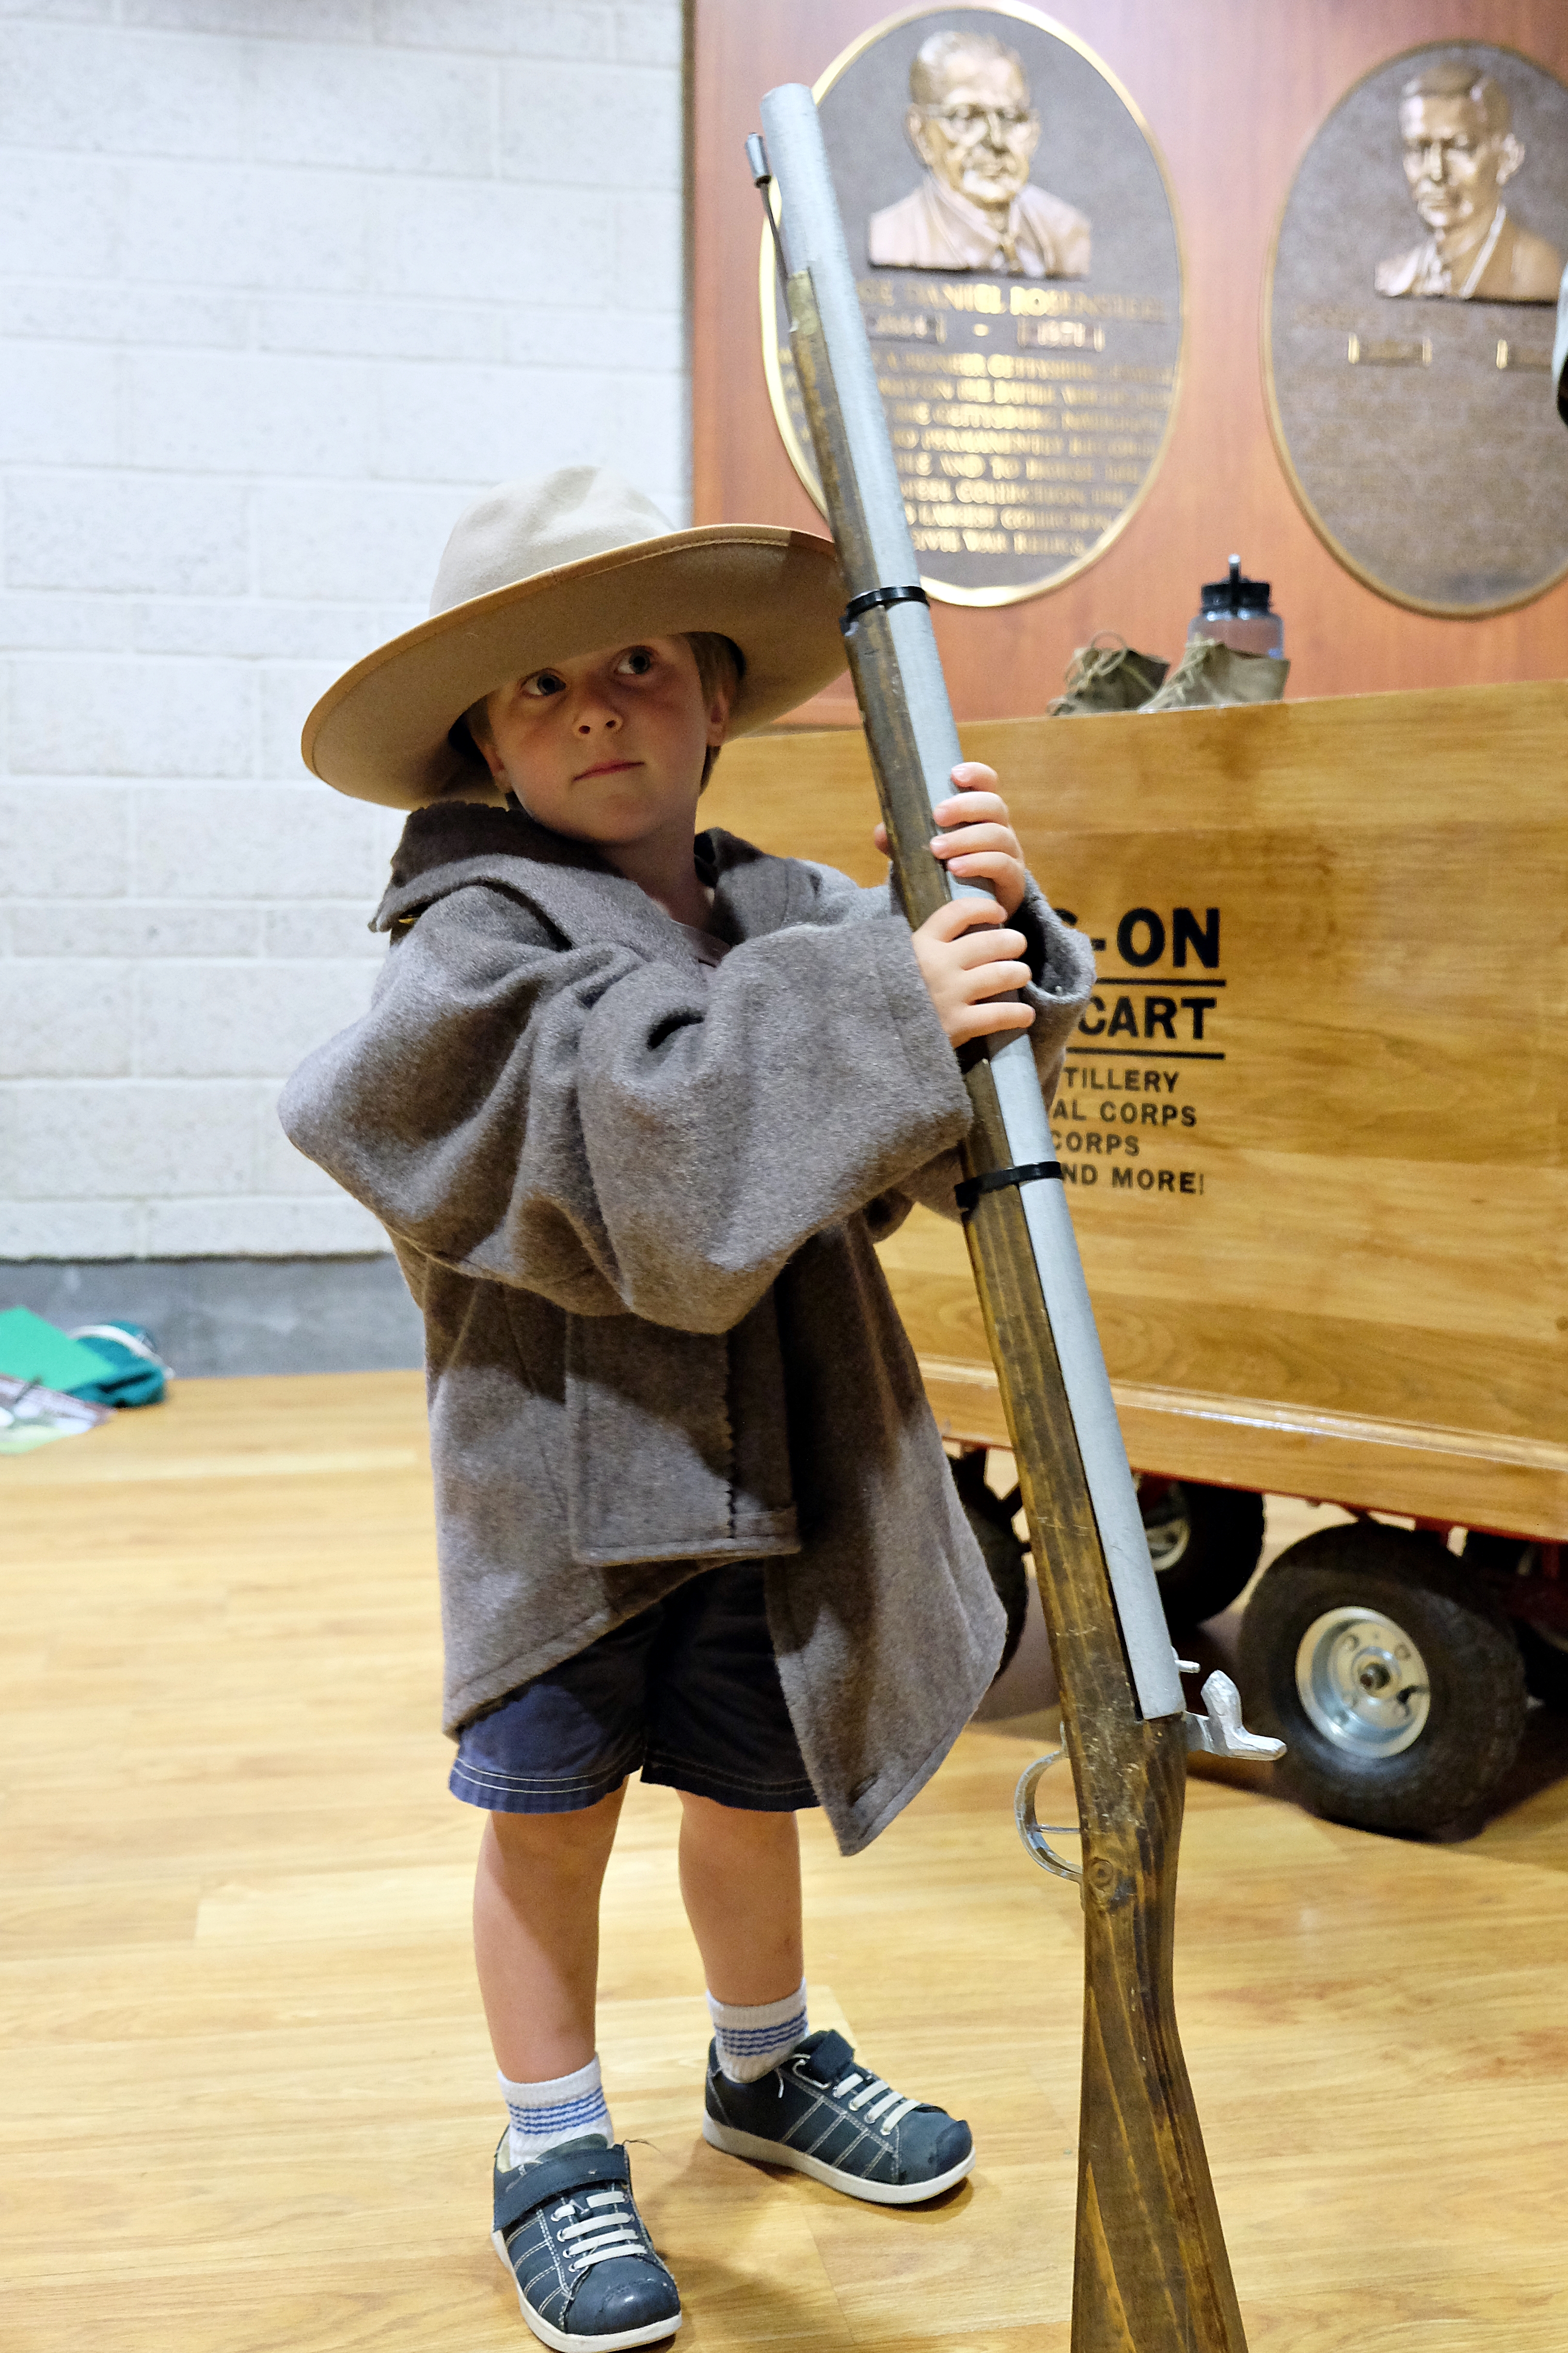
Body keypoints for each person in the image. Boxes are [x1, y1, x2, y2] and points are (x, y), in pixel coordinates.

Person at [280, 464, 1093, 2352]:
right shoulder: (467, 949)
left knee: (749, 1789)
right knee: (549, 1818)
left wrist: (994, 951)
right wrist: (889, 1010)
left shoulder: (797, 914)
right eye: (545, 685)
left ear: (717, 696)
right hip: (567, 1487)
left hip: (781, 1460)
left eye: (638, 664)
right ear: (485, 738)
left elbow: (930, 1115)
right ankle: (554, 2142)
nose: (596, 710)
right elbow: (636, 1154)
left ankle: (764, 2062)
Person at [868, 28, 1090, 278]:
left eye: (1010, 118)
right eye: (967, 117)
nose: (995, 140)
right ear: (921, 133)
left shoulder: (1069, 231)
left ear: (1033, 132)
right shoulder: (892, 238)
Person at [1375, 61, 1561, 303]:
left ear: (1507, 157)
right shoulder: (1397, 275)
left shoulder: (1541, 271)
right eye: (1418, 149)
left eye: (1460, 148)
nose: (1436, 171)